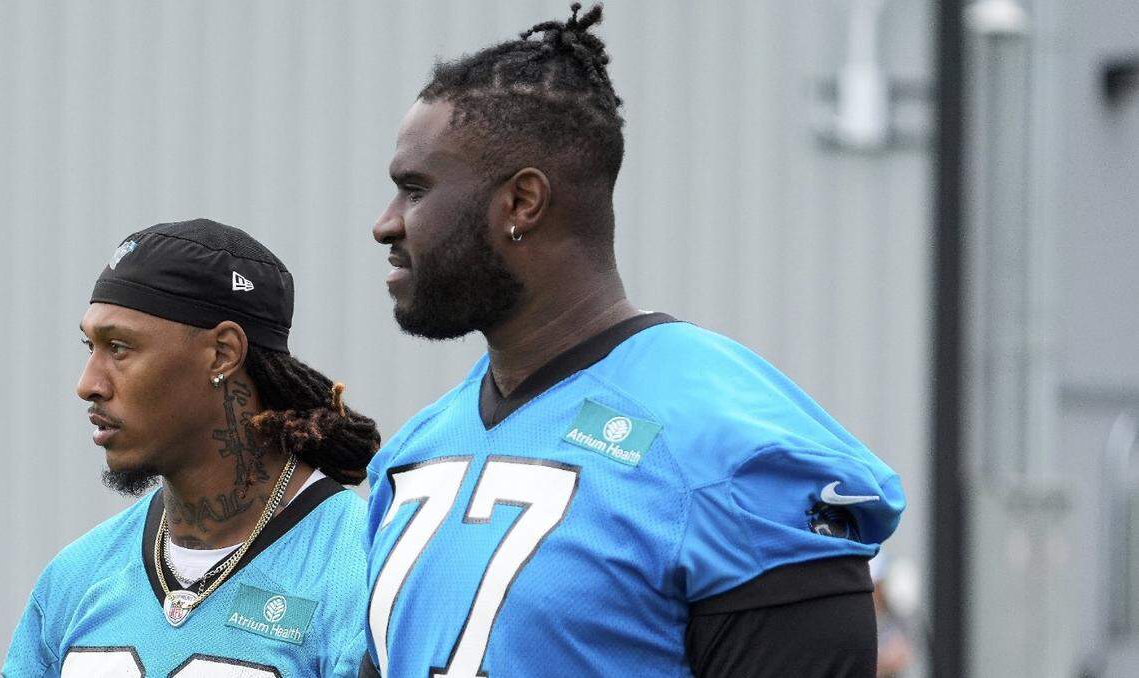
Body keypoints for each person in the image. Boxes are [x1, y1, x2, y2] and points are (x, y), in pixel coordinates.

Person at [363, 4, 905, 676]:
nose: (386, 225)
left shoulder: (726, 448)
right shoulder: (416, 453)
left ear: (522, 202)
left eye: (414, 191)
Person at [3, 218, 382, 677]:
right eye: (90, 346)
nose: (88, 384)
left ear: (222, 353)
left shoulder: (360, 572)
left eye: (119, 347)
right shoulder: (75, 578)